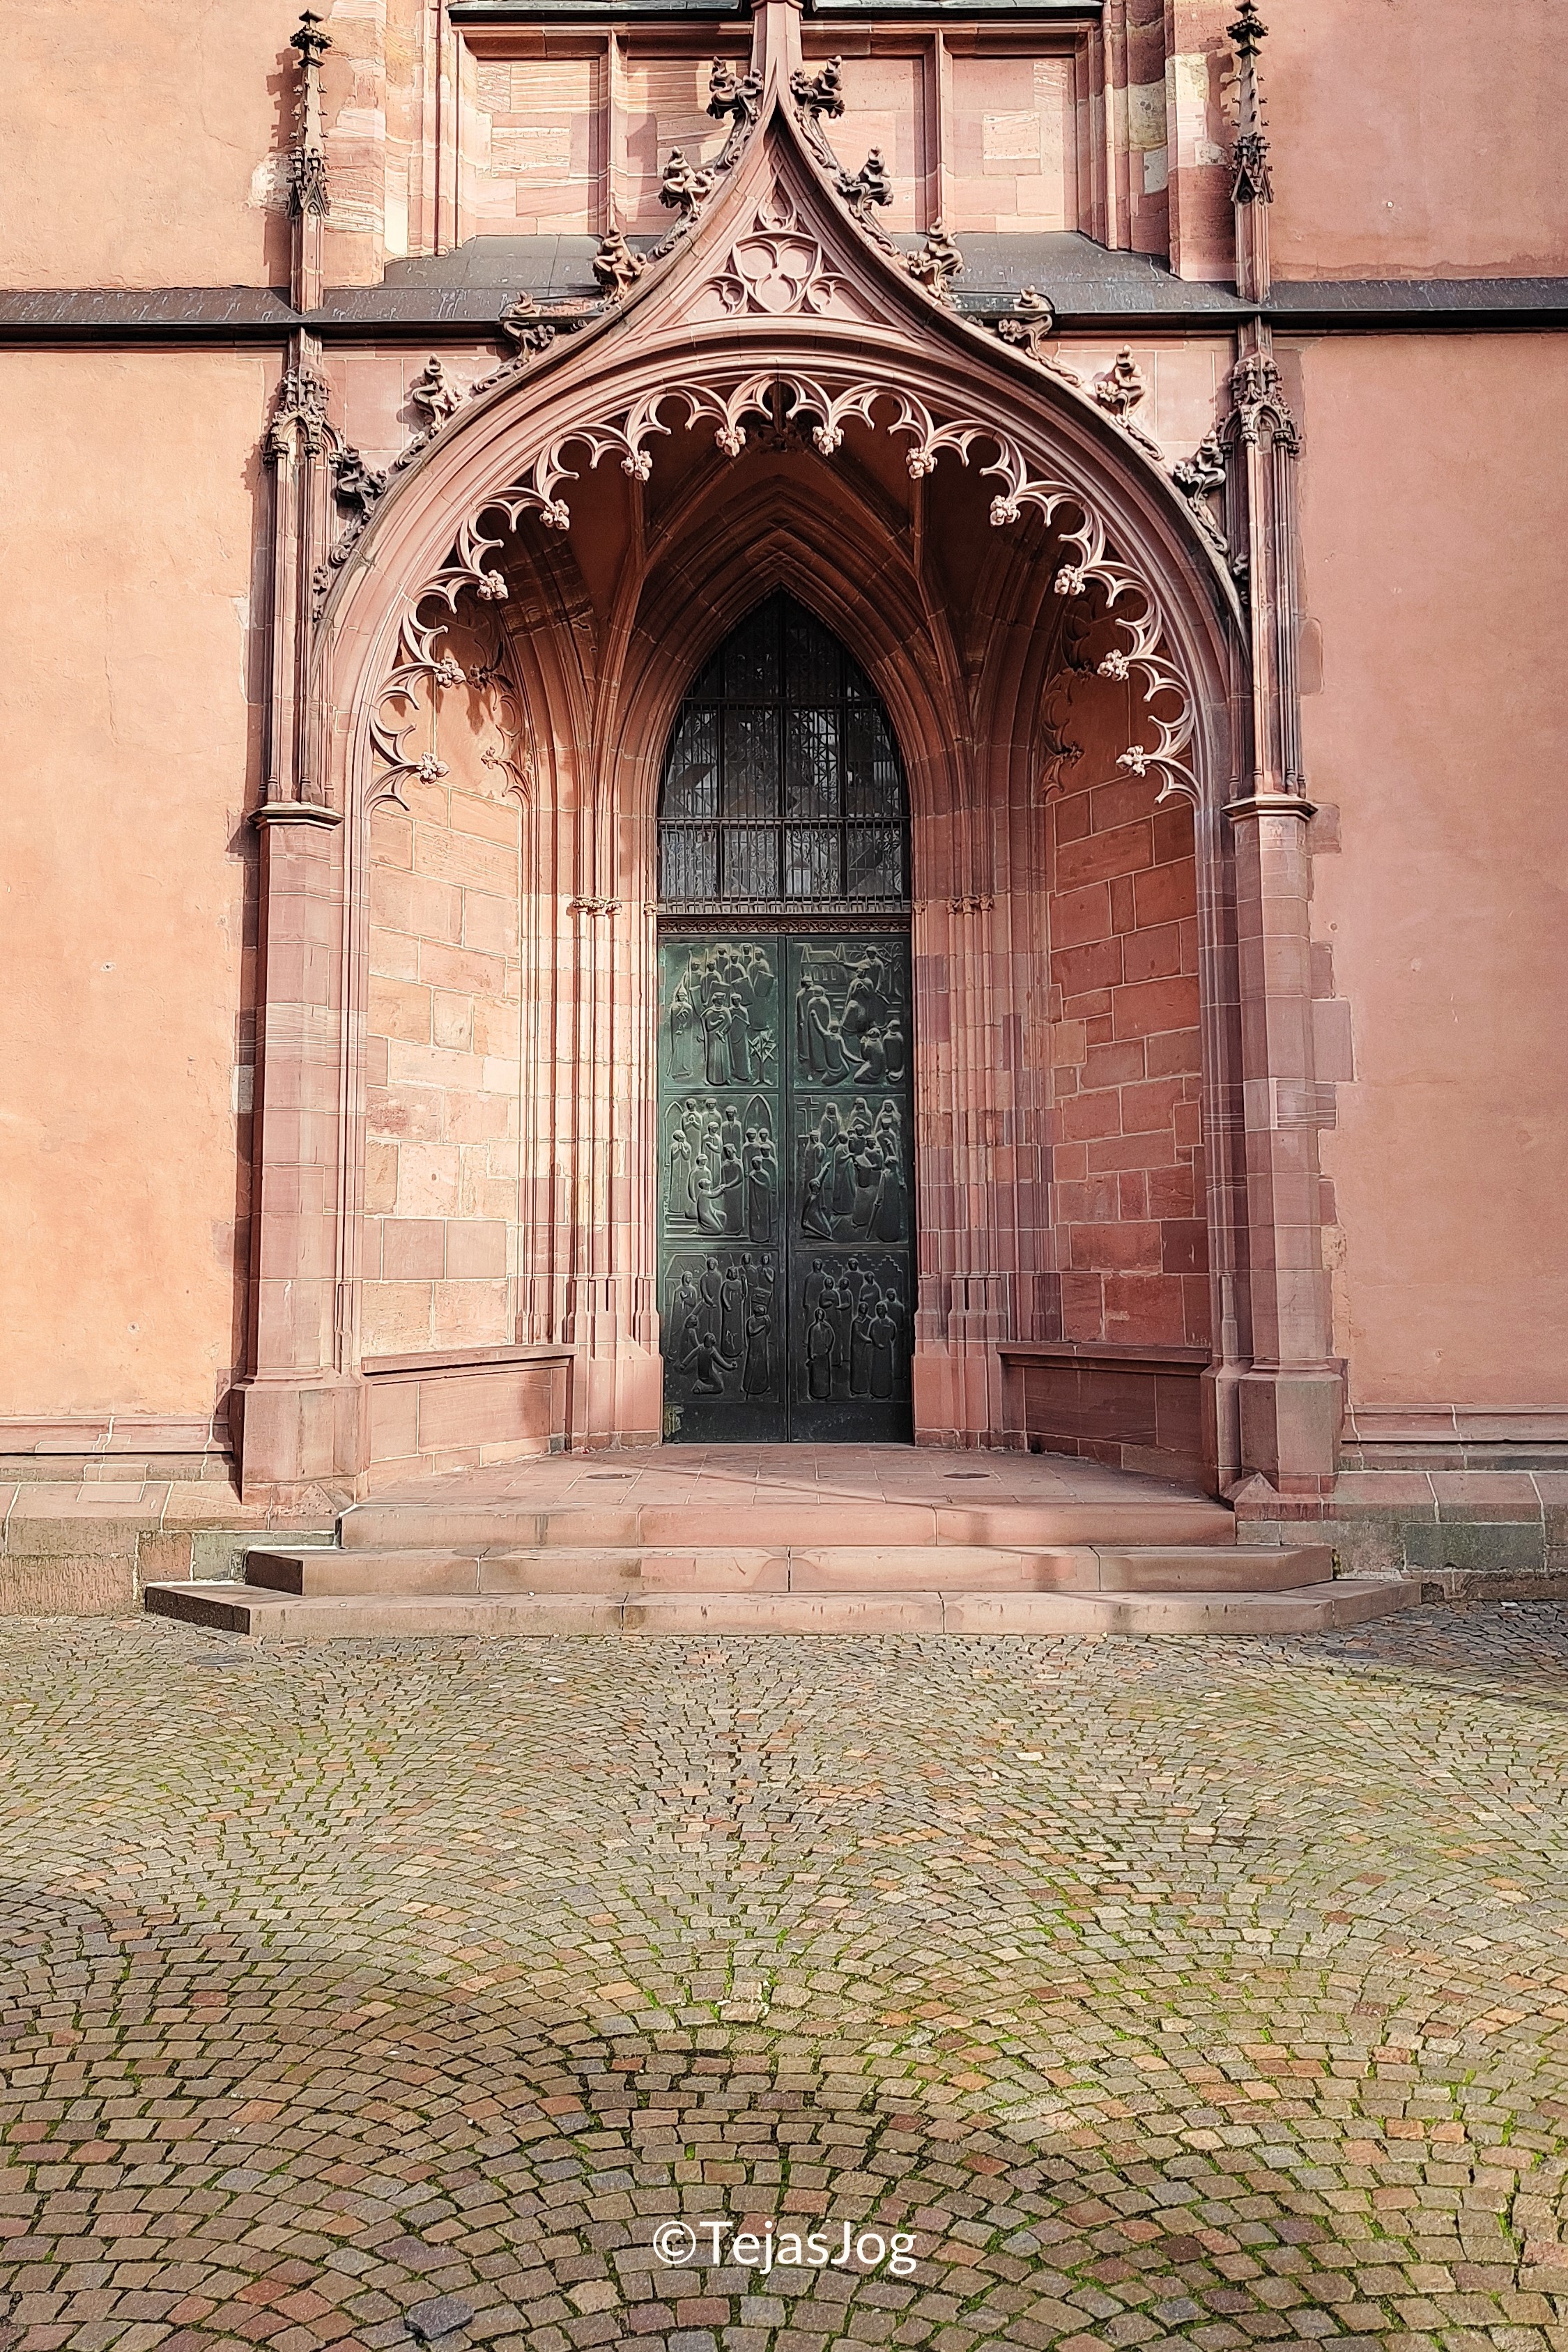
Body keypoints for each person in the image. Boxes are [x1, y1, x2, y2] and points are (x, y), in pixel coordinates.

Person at [806, 1305, 835, 1400]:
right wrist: (811, 1354)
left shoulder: (827, 1327)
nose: (820, 1316)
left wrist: (828, 1348)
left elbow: (832, 1337)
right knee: (815, 1375)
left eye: (821, 1314)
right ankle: (815, 1393)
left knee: (825, 1375)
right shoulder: (813, 1328)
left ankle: (825, 1393)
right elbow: (811, 1342)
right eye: (818, 1314)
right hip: (816, 1354)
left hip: (824, 1354)